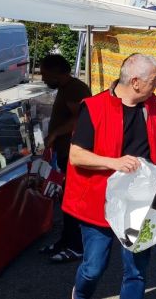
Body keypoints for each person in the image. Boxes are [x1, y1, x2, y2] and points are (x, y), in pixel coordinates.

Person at [64, 54, 156, 299]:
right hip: (100, 201)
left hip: (140, 201)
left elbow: (152, 144)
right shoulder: (94, 107)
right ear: (136, 82)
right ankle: (80, 294)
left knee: (136, 270)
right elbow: (76, 156)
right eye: (154, 80)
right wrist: (114, 163)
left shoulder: (149, 104)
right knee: (93, 268)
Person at [35, 54, 93, 263]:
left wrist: (56, 133)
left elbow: (81, 118)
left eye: (44, 74)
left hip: (74, 154)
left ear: (56, 72)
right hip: (65, 153)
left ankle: (76, 246)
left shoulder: (74, 88)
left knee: (73, 202)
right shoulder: (66, 88)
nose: (42, 79)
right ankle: (66, 241)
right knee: (66, 200)